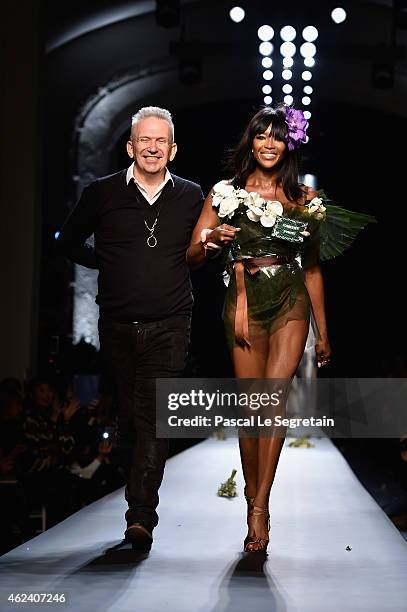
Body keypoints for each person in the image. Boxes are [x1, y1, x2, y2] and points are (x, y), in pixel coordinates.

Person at [187, 104, 374, 553]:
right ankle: (252, 494)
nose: (269, 144)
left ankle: (259, 509)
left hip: (291, 301)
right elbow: (192, 254)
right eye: (261, 136)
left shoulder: (305, 200)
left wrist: (323, 332)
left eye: (277, 136)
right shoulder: (226, 193)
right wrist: (212, 241)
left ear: (288, 143)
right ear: (250, 142)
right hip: (244, 303)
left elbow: (312, 270)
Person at [57, 106, 204, 550]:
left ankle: (141, 517)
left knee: (154, 419)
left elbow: (204, 252)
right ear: (131, 146)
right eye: (145, 140)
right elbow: (66, 240)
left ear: (173, 150)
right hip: (117, 322)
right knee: (127, 420)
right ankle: (133, 496)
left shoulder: (193, 196)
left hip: (171, 321)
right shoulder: (101, 193)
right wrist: (106, 261)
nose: (153, 147)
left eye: (161, 141)